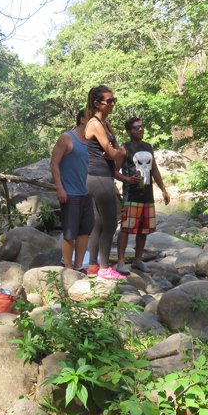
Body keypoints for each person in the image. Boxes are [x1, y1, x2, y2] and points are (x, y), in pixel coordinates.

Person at [114, 117, 170, 275]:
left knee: (144, 229)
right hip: (131, 195)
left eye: (142, 126)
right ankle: (120, 262)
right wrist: (128, 180)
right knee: (125, 228)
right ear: (129, 131)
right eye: (136, 127)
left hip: (147, 195)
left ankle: (138, 261)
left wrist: (163, 189)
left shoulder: (148, 147)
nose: (141, 129)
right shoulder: (124, 149)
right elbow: (114, 171)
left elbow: (154, 170)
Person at [84, 86, 127, 280]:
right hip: (99, 179)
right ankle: (104, 268)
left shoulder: (106, 124)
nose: (112, 104)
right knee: (110, 225)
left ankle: (93, 267)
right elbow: (113, 152)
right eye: (108, 101)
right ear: (97, 103)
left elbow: (116, 152)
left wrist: (115, 152)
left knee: (99, 225)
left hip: (104, 177)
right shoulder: (94, 124)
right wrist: (115, 152)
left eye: (113, 100)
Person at [50, 110, 94, 270]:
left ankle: (79, 267)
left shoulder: (91, 142)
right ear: (82, 120)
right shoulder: (66, 138)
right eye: (91, 119)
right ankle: (68, 269)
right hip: (70, 194)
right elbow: (54, 164)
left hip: (86, 194)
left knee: (84, 232)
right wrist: (60, 188)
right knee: (70, 234)